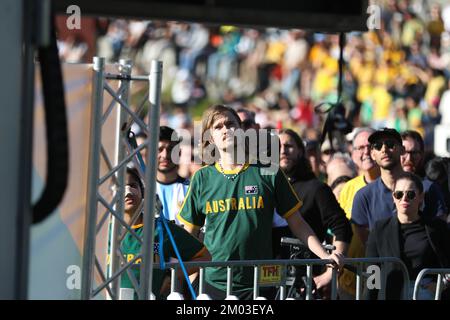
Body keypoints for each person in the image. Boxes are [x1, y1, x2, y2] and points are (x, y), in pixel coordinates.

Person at [177, 104, 344, 300]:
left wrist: (324, 255)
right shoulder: (202, 178)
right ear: (210, 137)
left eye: (231, 124)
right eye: (218, 127)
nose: (225, 130)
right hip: (214, 282)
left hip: (260, 283)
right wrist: (185, 279)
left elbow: (297, 223)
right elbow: (189, 236)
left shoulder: (268, 171)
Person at [276, 129, 352, 296]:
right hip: (270, 280)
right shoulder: (266, 189)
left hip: (307, 282)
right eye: (277, 146)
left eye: (288, 146)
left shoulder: (316, 188)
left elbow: (342, 227)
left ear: (300, 151)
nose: (282, 150)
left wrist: (330, 273)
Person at [117, 167, 210, 299]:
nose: (128, 192)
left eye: (133, 185)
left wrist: (172, 276)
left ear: (142, 191)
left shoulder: (161, 228)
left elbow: (204, 256)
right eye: (121, 186)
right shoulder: (103, 232)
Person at [351, 128, 447, 246]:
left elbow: (441, 237)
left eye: (390, 144)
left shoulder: (428, 189)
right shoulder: (363, 197)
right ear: (373, 154)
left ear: (402, 150)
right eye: (378, 146)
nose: (384, 149)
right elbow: (370, 247)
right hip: (385, 263)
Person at [365, 172, 450, 300]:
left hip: (426, 293)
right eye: (398, 194)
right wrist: (369, 297)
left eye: (410, 194)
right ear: (393, 198)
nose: (404, 198)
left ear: (421, 197)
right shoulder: (380, 229)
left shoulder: (437, 227)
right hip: (391, 293)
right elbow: (373, 270)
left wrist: (441, 284)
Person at [337, 127, 380, 299]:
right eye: (360, 148)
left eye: (370, 146)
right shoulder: (348, 188)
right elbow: (340, 230)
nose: (366, 152)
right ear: (353, 154)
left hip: (379, 278)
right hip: (348, 282)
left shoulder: (396, 187)